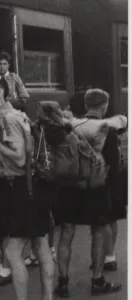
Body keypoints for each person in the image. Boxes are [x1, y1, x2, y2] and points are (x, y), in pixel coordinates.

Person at [0, 73, 54, 300]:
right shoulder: (19, 114)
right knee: (41, 247)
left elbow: (19, 159)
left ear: (0, 93)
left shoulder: (8, 119)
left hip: (22, 190)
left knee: (12, 251)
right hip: (34, 186)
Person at [55, 89, 122, 297]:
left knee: (66, 234)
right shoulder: (106, 130)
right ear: (104, 106)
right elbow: (114, 165)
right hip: (95, 189)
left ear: (86, 106)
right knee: (98, 233)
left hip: (69, 188)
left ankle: (63, 283)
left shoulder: (70, 127)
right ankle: (97, 281)